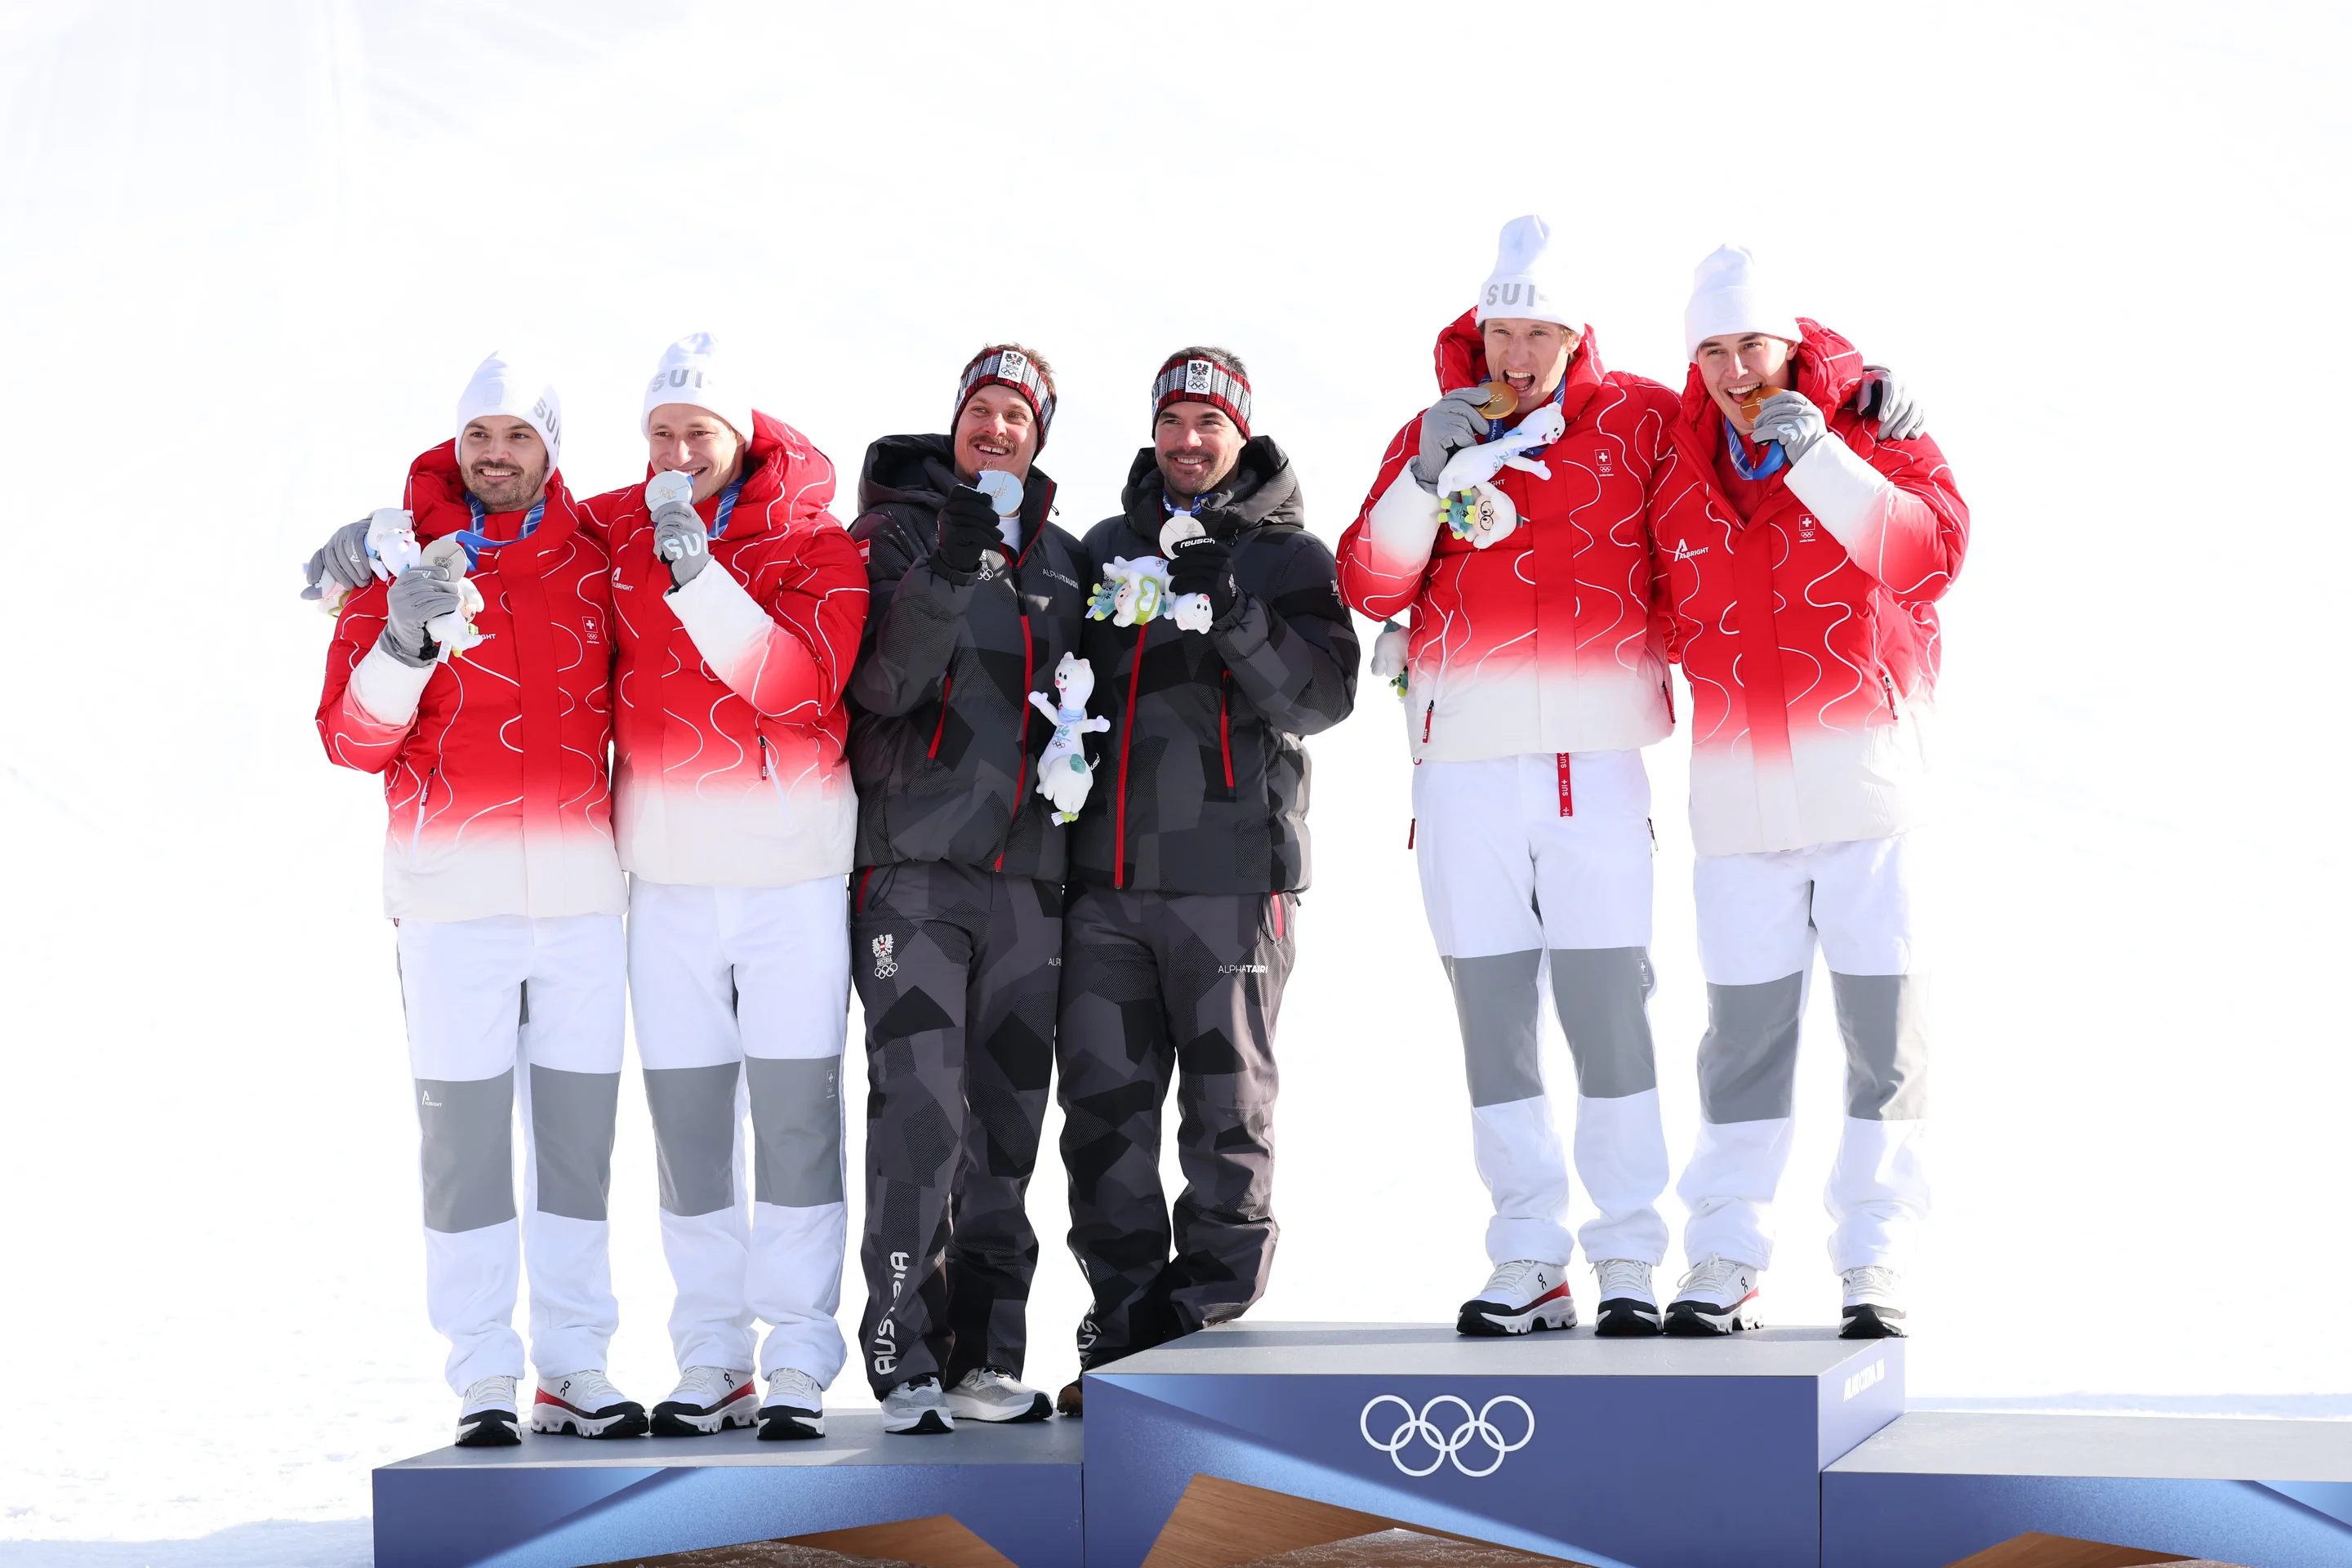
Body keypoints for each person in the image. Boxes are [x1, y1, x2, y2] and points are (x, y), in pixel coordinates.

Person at [1336, 216, 1684, 1338]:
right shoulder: (1431, 429)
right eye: (1501, 330)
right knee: (1494, 1023)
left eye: (1539, 330)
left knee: (1609, 1018)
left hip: (1594, 769)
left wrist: (1842, 383)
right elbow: (1371, 581)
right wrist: (1426, 472)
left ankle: (1629, 1253)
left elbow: (1744, 434)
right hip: (1462, 775)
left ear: (1577, 334)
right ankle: (1527, 1255)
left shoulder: (1639, 418)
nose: (1516, 353)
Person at [314, 353, 644, 1444]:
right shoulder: (397, 565)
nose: (495, 456)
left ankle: (576, 1367)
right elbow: (353, 740)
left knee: (574, 1145)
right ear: (456, 449)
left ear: (550, 451)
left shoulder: (593, 560)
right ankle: (483, 1379)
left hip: (583, 905)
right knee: (463, 1148)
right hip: (450, 905)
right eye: (479, 438)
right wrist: (402, 634)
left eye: (517, 437)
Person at [1648, 246, 1961, 1339]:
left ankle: (1879, 1257)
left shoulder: (1877, 425)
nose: (1738, 369)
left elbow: (1929, 557)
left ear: (1788, 340)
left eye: (1754, 344)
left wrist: (1828, 453)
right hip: (1740, 811)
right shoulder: (1674, 459)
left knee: (1886, 1042)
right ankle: (1726, 1254)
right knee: (1743, 1044)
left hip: (1867, 790)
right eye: (1715, 348)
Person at [1054, 348, 1359, 1414]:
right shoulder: (1102, 550)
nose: (1190, 441)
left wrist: (1230, 607)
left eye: (1209, 423)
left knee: (1228, 1119)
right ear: (1153, 434)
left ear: (1241, 434)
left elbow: (1320, 699)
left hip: (1233, 884)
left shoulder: (1288, 558)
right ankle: (1124, 1334)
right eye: (1173, 422)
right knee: (1103, 1121)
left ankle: (1198, 1331)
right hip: (1102, 888)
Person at [590, 334, 870, 1433]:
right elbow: (501, 511)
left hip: (789, 881)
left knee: (796, 1121)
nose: (675, 453)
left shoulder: (818, 548)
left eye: (696, 434)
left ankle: (798, 1353)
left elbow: (796, 686)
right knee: (693, 1128)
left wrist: (696, 576)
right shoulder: (618, 530)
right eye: (658, 434)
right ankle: (712, 1355)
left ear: (741, 438)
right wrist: (388, 549)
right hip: (666, 882)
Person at [841, 345, 1094, 1434]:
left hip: (1029, 877)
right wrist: (947, 565)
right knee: (919, 1113)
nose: (996, 429)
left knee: (1005, 1122)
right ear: (955, 423)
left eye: (1017, 416)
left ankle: (988, 1355)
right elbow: (882, 682)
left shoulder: (1069, 560)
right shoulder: (894, 532)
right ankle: (902, 1351)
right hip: (912, 869)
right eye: (981, 411)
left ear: (1040, 437)